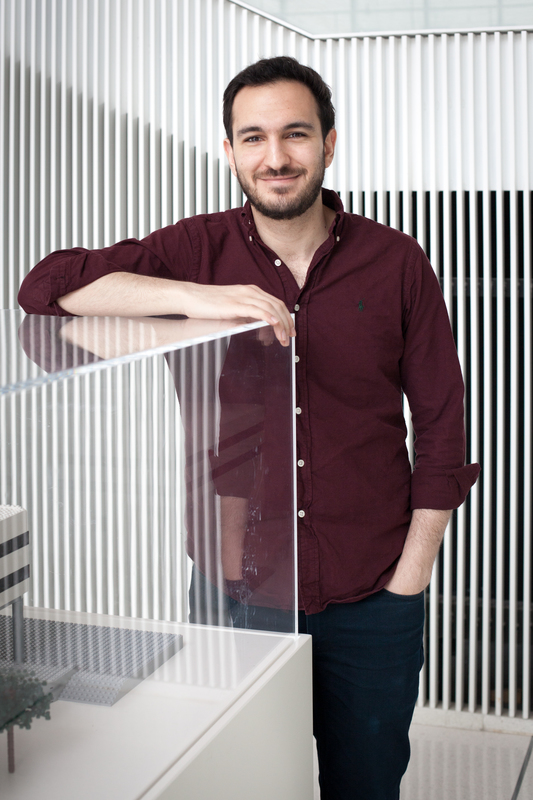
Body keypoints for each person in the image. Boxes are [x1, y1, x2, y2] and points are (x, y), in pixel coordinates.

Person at [18, 56, 480, 800]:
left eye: (295, 134)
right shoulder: (194, 251)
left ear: (329, 144)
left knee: (366, 786)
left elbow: (442, 427)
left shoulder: (396, 261)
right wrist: (197, 298)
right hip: (231, 592)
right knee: (237, 784)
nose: (276, 157)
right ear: (229, 150)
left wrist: (410, 579)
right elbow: (45, 288)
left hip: (373, 595)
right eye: (254, 138)